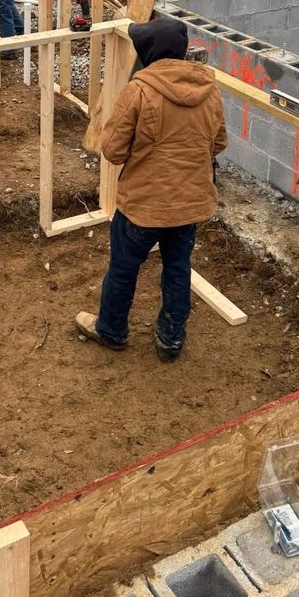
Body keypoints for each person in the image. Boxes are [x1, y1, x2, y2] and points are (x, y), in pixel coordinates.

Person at [76, 18, 227, 361]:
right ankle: (170, 339)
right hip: (190, 202)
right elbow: (218, 143)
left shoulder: (140, 90)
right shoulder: (209, 90)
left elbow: (113, 150)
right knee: (178, 267)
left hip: (143, 204)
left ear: (149, 53)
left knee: (123, 267)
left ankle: (111, 330)